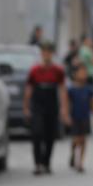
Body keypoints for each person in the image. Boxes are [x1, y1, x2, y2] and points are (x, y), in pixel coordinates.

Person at [23, 42, 70, 175]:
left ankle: (46, 162)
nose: (46, 55)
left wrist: (64, 108)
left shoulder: (58, 71)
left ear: (52, 54)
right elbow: (28, 89)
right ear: (41, 54)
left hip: (51, 104)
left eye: (49, 52)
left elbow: (62, 90)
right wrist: (26, 107)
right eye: (44, 52)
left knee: (50, 135)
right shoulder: (34, 70)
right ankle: (37, 163)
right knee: (37, 132)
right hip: (38, 104)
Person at [67, 65, 93, 173]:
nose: (83, 75)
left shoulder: (89, 89)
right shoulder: (71, 89)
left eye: (85, 72)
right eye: (81, 72)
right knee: (76, 139)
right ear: (75, 74)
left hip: (85, 117)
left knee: (83, 139)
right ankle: (73, 153)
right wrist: (67, 115)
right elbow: (68, 103)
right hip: (74, 117)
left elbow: (92, 103)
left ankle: (80, 162)